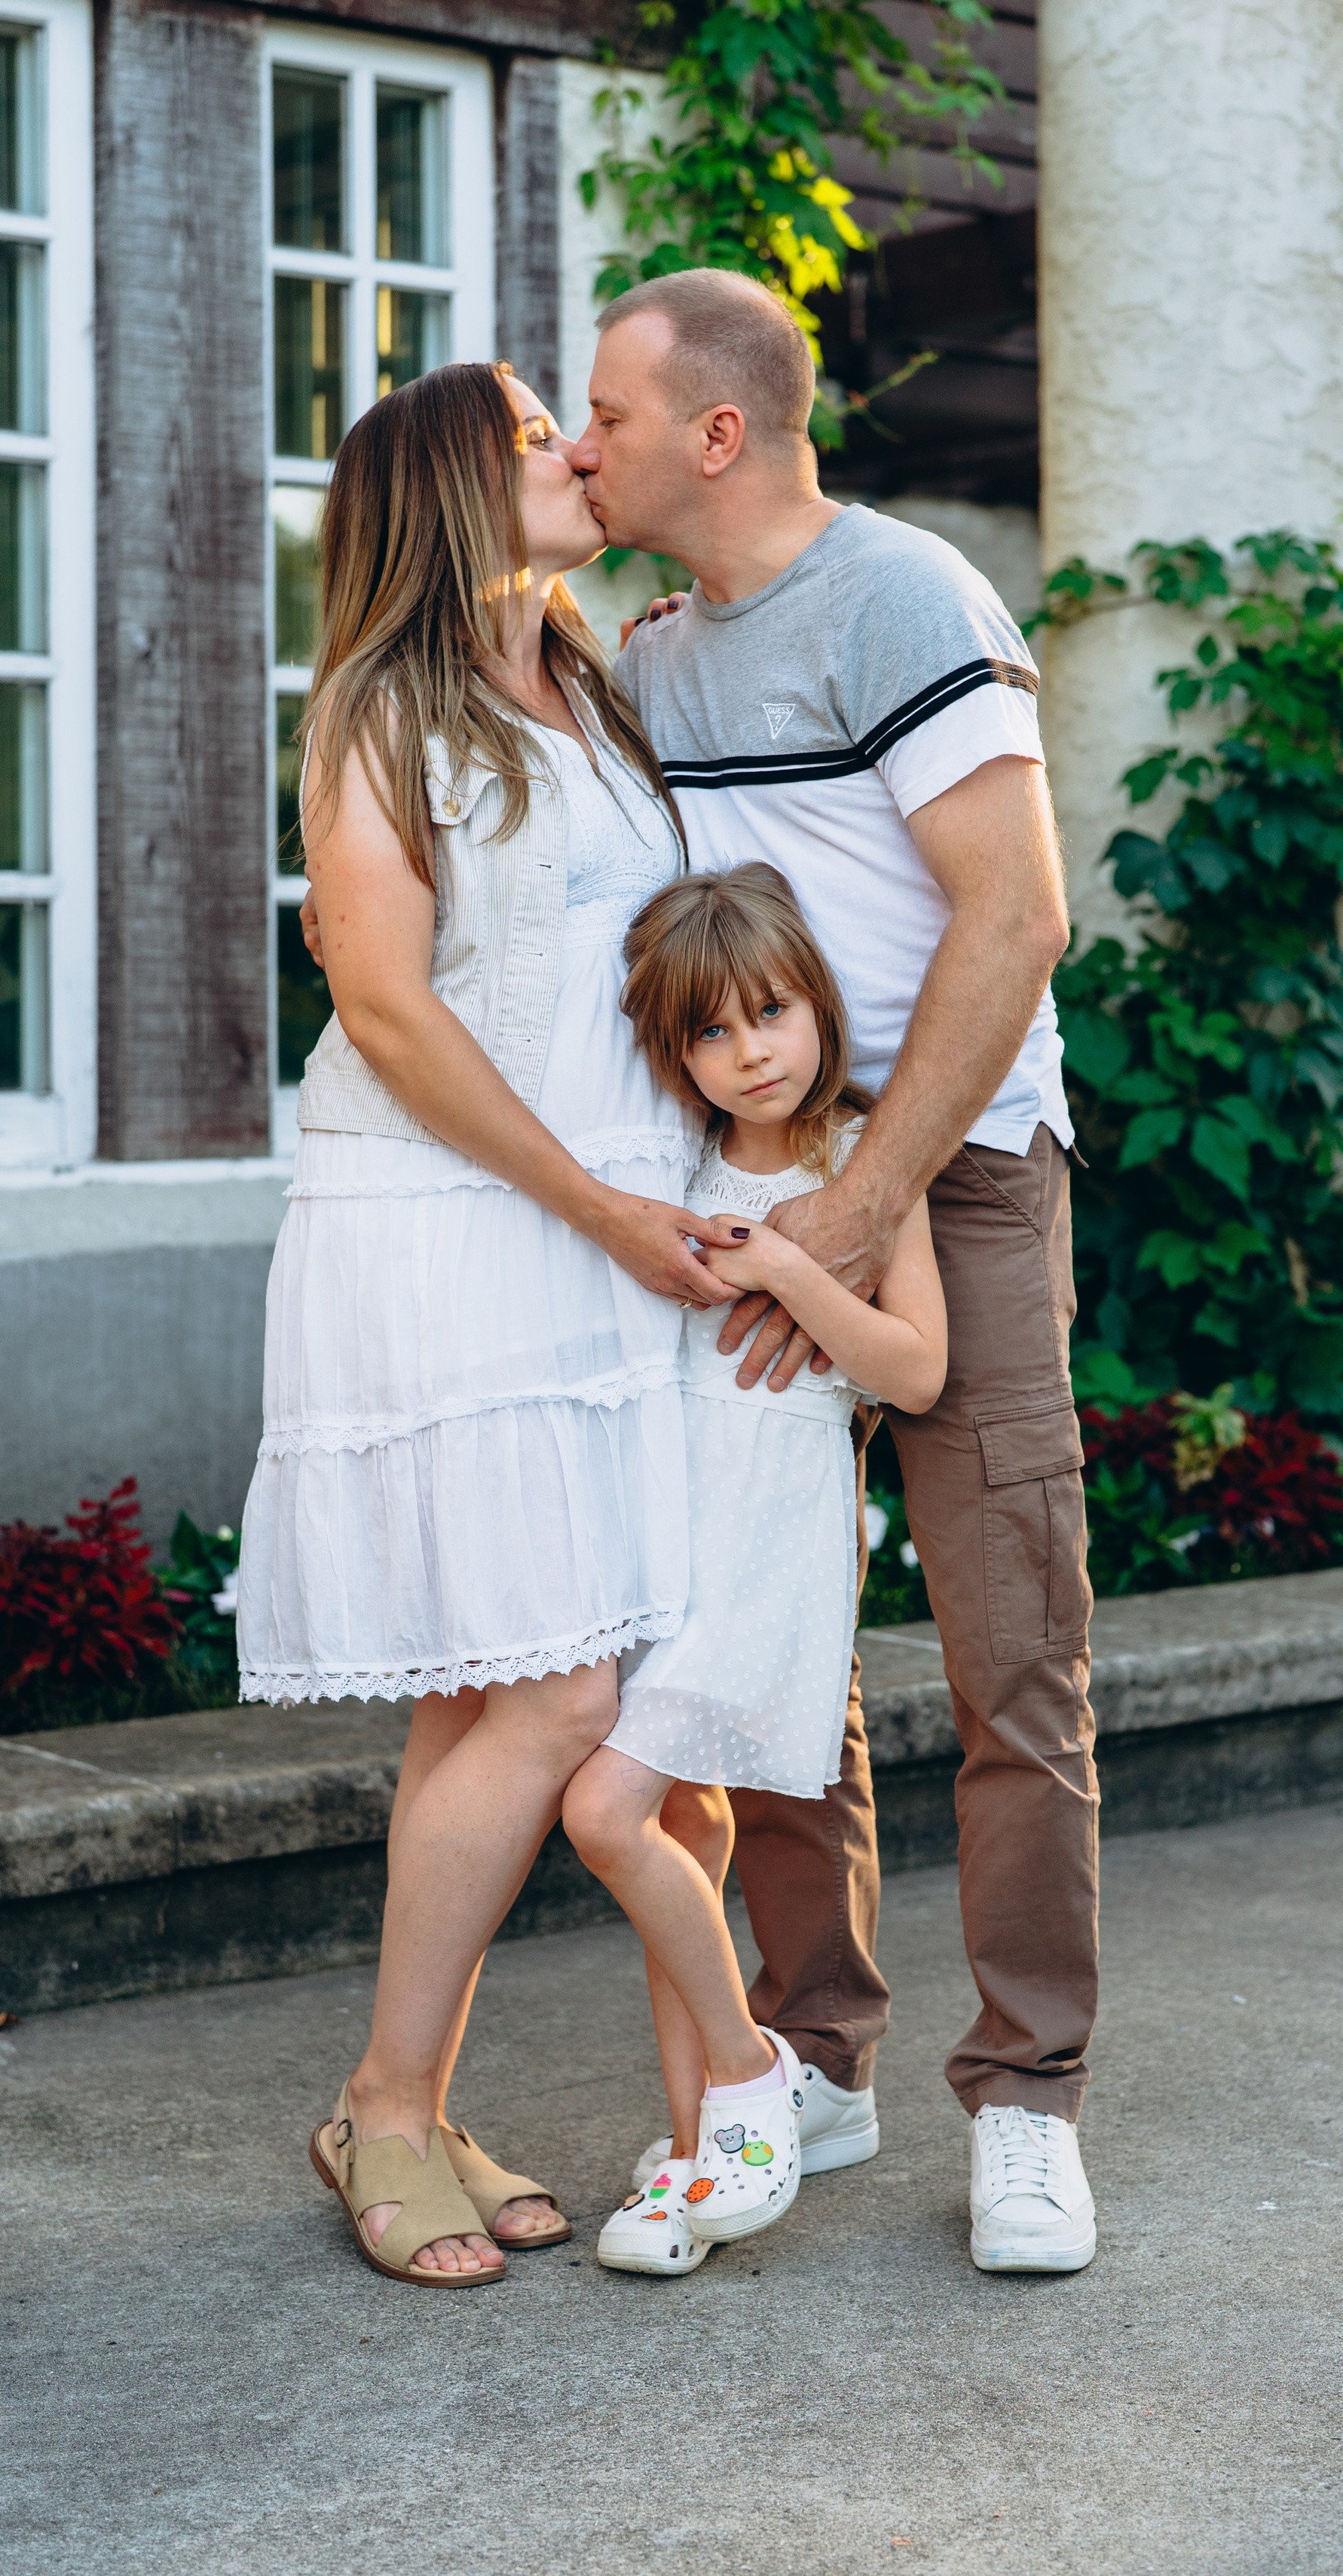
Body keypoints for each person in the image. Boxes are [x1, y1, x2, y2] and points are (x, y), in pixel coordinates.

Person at [581, 268, 1099, 2276]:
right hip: (764, 1194)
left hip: (944, 1184)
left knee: (1011, 1655)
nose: (580, 448)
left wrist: (857, 1212)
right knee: (774, 1633)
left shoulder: (908, 598)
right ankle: (821, 2054)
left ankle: (1033, 2098)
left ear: (718, 433)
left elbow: (1014, 921)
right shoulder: (657, 659)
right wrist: (758, 1206)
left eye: (608, 414)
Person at [238, 359, 735, 2287]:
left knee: (484, 1685)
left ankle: (416, 2104)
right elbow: (386, 1010)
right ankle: (379, 2100)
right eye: (538, 431)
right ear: (454, 482)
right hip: (451, 1226)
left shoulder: (599, 680)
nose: (576, 448)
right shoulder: (377, 709)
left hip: (610, 1230)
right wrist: (606, 1205)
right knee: (560, 1696)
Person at [567, 864, 947, 2276]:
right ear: (678, 1057)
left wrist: (793, 1269)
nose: (753, 1053)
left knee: (608, 1813)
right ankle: (691, 2164)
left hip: (771, 1548)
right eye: (713, 1036)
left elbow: (914, 1369)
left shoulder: (865, 1160)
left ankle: (747, 2078)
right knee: (695, 1834)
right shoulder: (668, 1162)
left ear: (816, 1003)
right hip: (665, 1539)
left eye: (772, 1013)